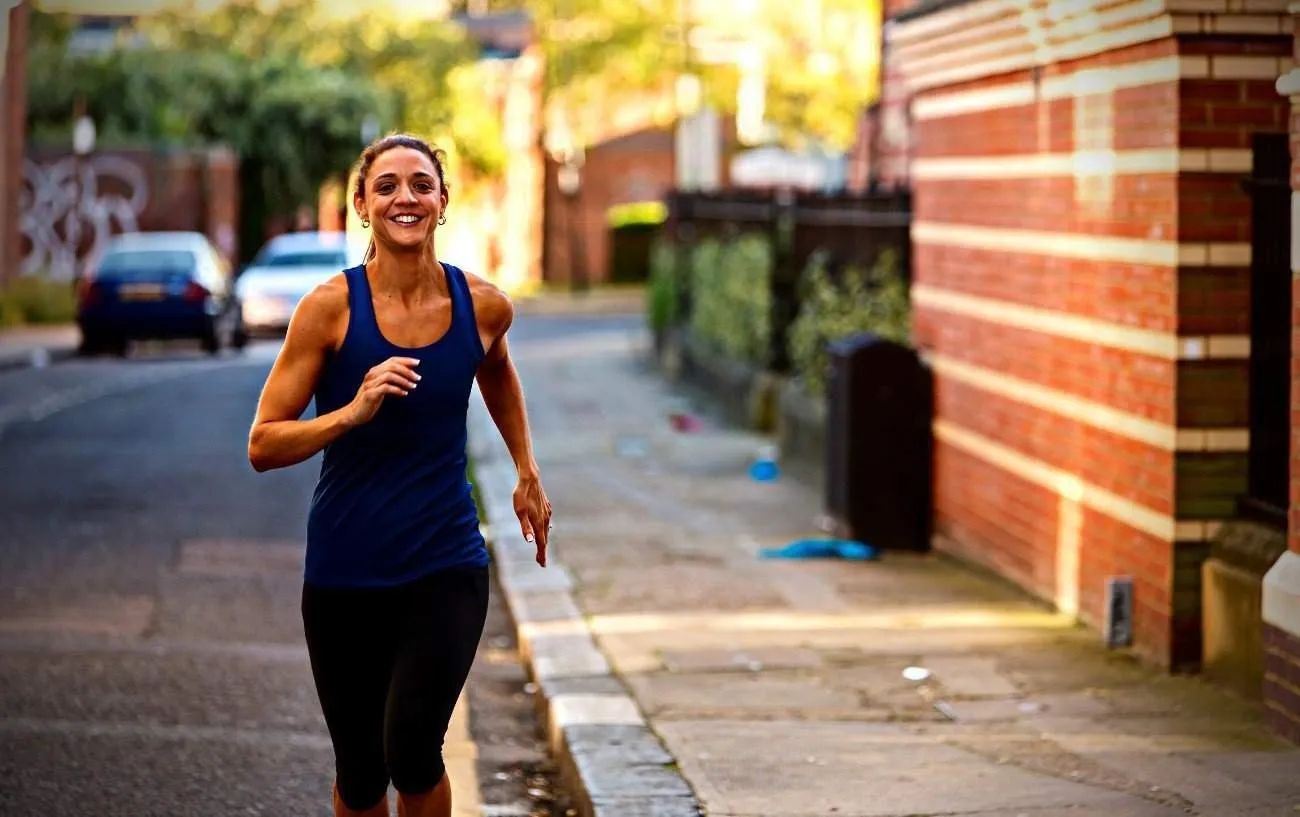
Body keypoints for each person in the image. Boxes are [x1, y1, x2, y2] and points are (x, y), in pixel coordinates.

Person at [247, 132, 552, 817]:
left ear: (443, 202)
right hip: (344, 569)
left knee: (414, 749)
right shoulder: (329, 309)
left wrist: (526, 468)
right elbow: (263, 442)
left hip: (444, 562)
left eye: (420, 184)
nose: (404, 196)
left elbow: (497, 368)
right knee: (360, 772)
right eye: (386, 185)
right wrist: (351, 412)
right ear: (362, 205)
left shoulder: (484, 306)